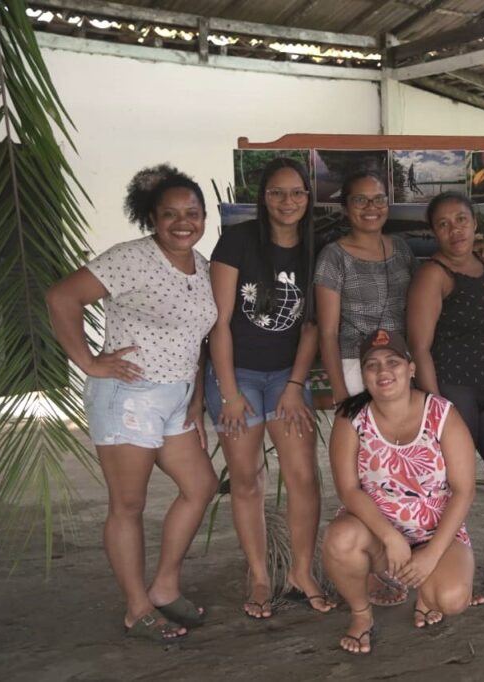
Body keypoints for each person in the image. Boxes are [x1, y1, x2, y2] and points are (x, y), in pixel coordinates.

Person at [45, 165, 219, 641]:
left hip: (177, 398)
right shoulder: (131, 258)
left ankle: (164, 586)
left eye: (192, 213)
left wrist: (196, 400)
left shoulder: (202, 266)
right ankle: (136, 607)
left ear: (204, 217)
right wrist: (88, 361)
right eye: (170, 214)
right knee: (128, 504)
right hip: (130, 396)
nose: (183, 222)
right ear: (152, 218)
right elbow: (61, 298)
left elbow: (197, 338)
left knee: (200, 485)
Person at [206, 157, 331, 619]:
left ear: (308, 197)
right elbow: (219, 322)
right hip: (235, 373)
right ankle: (259, 576)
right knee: (246, 479)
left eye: (296, 192)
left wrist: (295, 385)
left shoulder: (316, 249)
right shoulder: (238, 241)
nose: (287, 201)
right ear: (263, 197)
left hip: (285, 376)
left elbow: (312, 325)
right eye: (277, 192)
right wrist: (229, 391)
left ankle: (301, 572)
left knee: (303, 476)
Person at [322, 329, 479, 654]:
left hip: (436, 535)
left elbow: (464, 491)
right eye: (372, 365)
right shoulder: (351, 418)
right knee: (340, 538)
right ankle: (362, 616)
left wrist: (431, 554)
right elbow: (348, 490)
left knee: (451, 599)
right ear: (363, 375)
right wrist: (390, 537)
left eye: (392, 362)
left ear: (411, 368)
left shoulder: (441, 414)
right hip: (378, 535)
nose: (383, 371)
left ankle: (426, 593)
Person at [407, 192, 484, 593]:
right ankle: (449, 573)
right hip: (452, 391)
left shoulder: (483, 264)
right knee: (451, 488)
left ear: (475, 223)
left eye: (460, 219)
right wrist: (435, 410)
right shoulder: (434, 275)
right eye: (443, 224)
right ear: (434, 232)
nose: (454, 230)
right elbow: (420, 347)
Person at [315, 169, 416, 606]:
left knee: (399, 465)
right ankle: (368, 564)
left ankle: (402, 553)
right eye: (361, 200)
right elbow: (327, 331)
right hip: (357, 367)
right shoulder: (333, 257)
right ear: (346, 208)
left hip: (398, 366)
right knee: (362, 471)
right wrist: (343, 398)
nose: (371, 208)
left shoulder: (402, 250)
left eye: (378, 200)